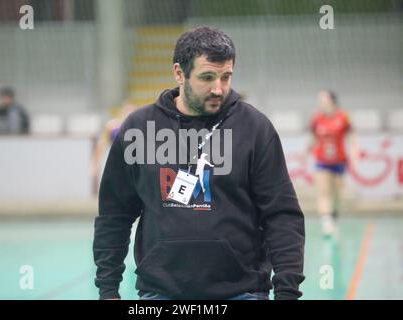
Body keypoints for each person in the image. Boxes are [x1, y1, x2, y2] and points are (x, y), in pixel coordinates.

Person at [93, 27, 305, 300]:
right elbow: (115, 215)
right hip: (161, 293)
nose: (219, 88)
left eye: (226, 77)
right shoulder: (138, 130)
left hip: (243, 292)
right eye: (207, 77)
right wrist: (108, 290)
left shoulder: (255, 128)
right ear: (179, 74)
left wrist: (287, 292)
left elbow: (282, 216)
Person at [307, 90, 359, 236]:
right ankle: (326, 223)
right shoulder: (317, 118)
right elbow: (312, 138)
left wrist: (355, 154)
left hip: (339, 161)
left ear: (332, 101)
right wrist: (305, 153)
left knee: (336, 195)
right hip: (321, 161)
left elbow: (352, 136)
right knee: (324, 192)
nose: (321, 103)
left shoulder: (343, 117)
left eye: (323, 99)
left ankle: (333, 217)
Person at [90, 101, 137, 187]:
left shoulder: (139, 128)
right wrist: (94, 163)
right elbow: (101, 145)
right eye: (127, 112)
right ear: (121, 113)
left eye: (132, 112)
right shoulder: (112, 126)